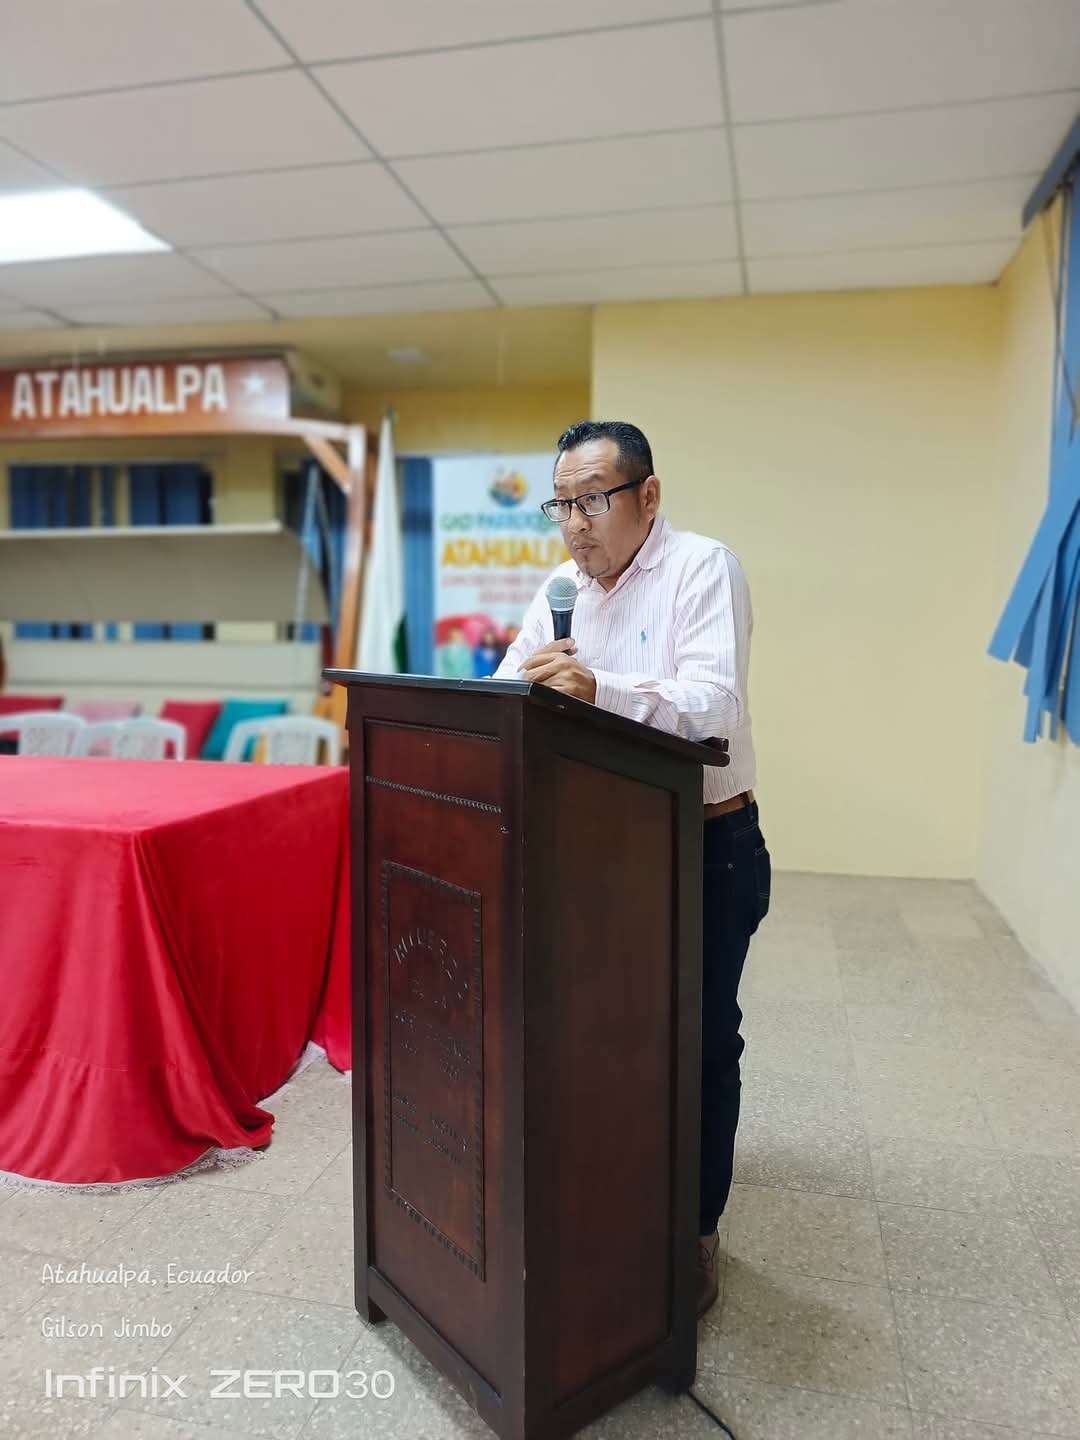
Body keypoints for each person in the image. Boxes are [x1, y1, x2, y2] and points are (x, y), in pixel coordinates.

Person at [495, 419, 769, 1317]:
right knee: (607, 1036)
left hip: (704, 845)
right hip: (592, 851)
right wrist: (519, 688)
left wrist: (598, 689)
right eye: (561, 505)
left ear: (647, 496)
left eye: (593, 500)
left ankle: (697, 1229)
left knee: (699, 1042)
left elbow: (713, 704)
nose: (575, 524)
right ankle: (615, 1199)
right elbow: (504, 691)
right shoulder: (560, 592)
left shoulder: (701, 568)